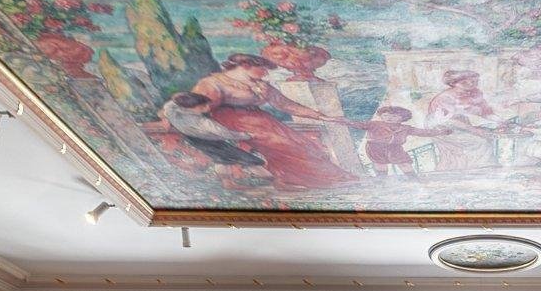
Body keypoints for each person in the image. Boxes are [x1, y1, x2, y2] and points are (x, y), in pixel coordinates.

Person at [179, 54, 354, 190]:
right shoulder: (213, 83)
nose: (266, 72)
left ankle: (324, 177)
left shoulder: (261, 85)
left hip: (262, 121)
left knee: (302, 143)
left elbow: (286, 104)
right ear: (245, 65)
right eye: (262, 68)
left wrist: (321, 116)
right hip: (231, 122)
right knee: (283, 144)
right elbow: (196, 108)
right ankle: (288, 179)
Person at [425, 70, 501, 172]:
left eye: (474, 82)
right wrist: (475, 130)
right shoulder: (445, 98)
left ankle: (480, 168)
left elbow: (485, 111)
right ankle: (480, 168)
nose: (471, 85)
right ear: (453, 83)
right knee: (479, 142)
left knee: (487, 136)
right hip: (442, 127)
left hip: (461, 122)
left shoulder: (475, 93)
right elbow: (448, 121)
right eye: (464, 82)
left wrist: (501, 121)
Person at [357, 106, 431, 176]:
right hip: (375, 147)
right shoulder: (374, 124)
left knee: (404, 163)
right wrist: (349, 122)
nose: (389, 118)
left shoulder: (406, 128)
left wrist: (437, 131)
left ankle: (413, 179)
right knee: (380, 164)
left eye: (394, 116)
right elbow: (359, 125)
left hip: (395, 148)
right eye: (385, 115)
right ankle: (382, 180)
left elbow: (422, 132)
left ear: (403, 118)